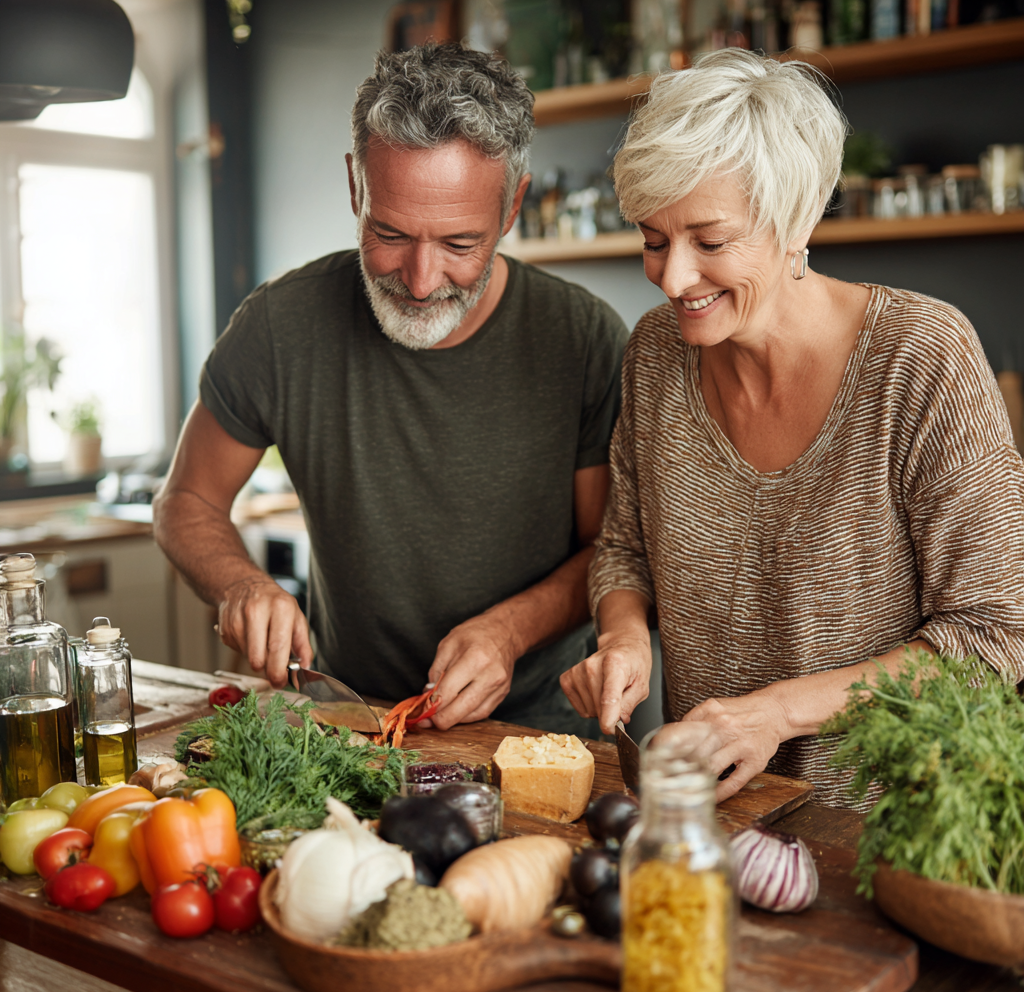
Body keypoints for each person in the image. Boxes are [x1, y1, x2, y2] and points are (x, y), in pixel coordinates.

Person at [560, 50, 1024, 807]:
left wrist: (773, 713)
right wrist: (622, 636)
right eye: (652, 240)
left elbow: (991, 639)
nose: (674, 278)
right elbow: (623, 549)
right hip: (713, 819)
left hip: (891, 836)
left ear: (797, 220)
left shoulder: (920, 358)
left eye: (710, 242)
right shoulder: (655, 355)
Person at [153, 43, 628, 734]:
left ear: (513, 206)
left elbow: (608, 548)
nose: (421, 278)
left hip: (541, 732)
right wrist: (242, 584)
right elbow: (184, 502)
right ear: (356, 186)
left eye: (460, 244)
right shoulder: (280, 326)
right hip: (351, 722)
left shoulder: (583, 337)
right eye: (390, 233)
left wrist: (509, 632)